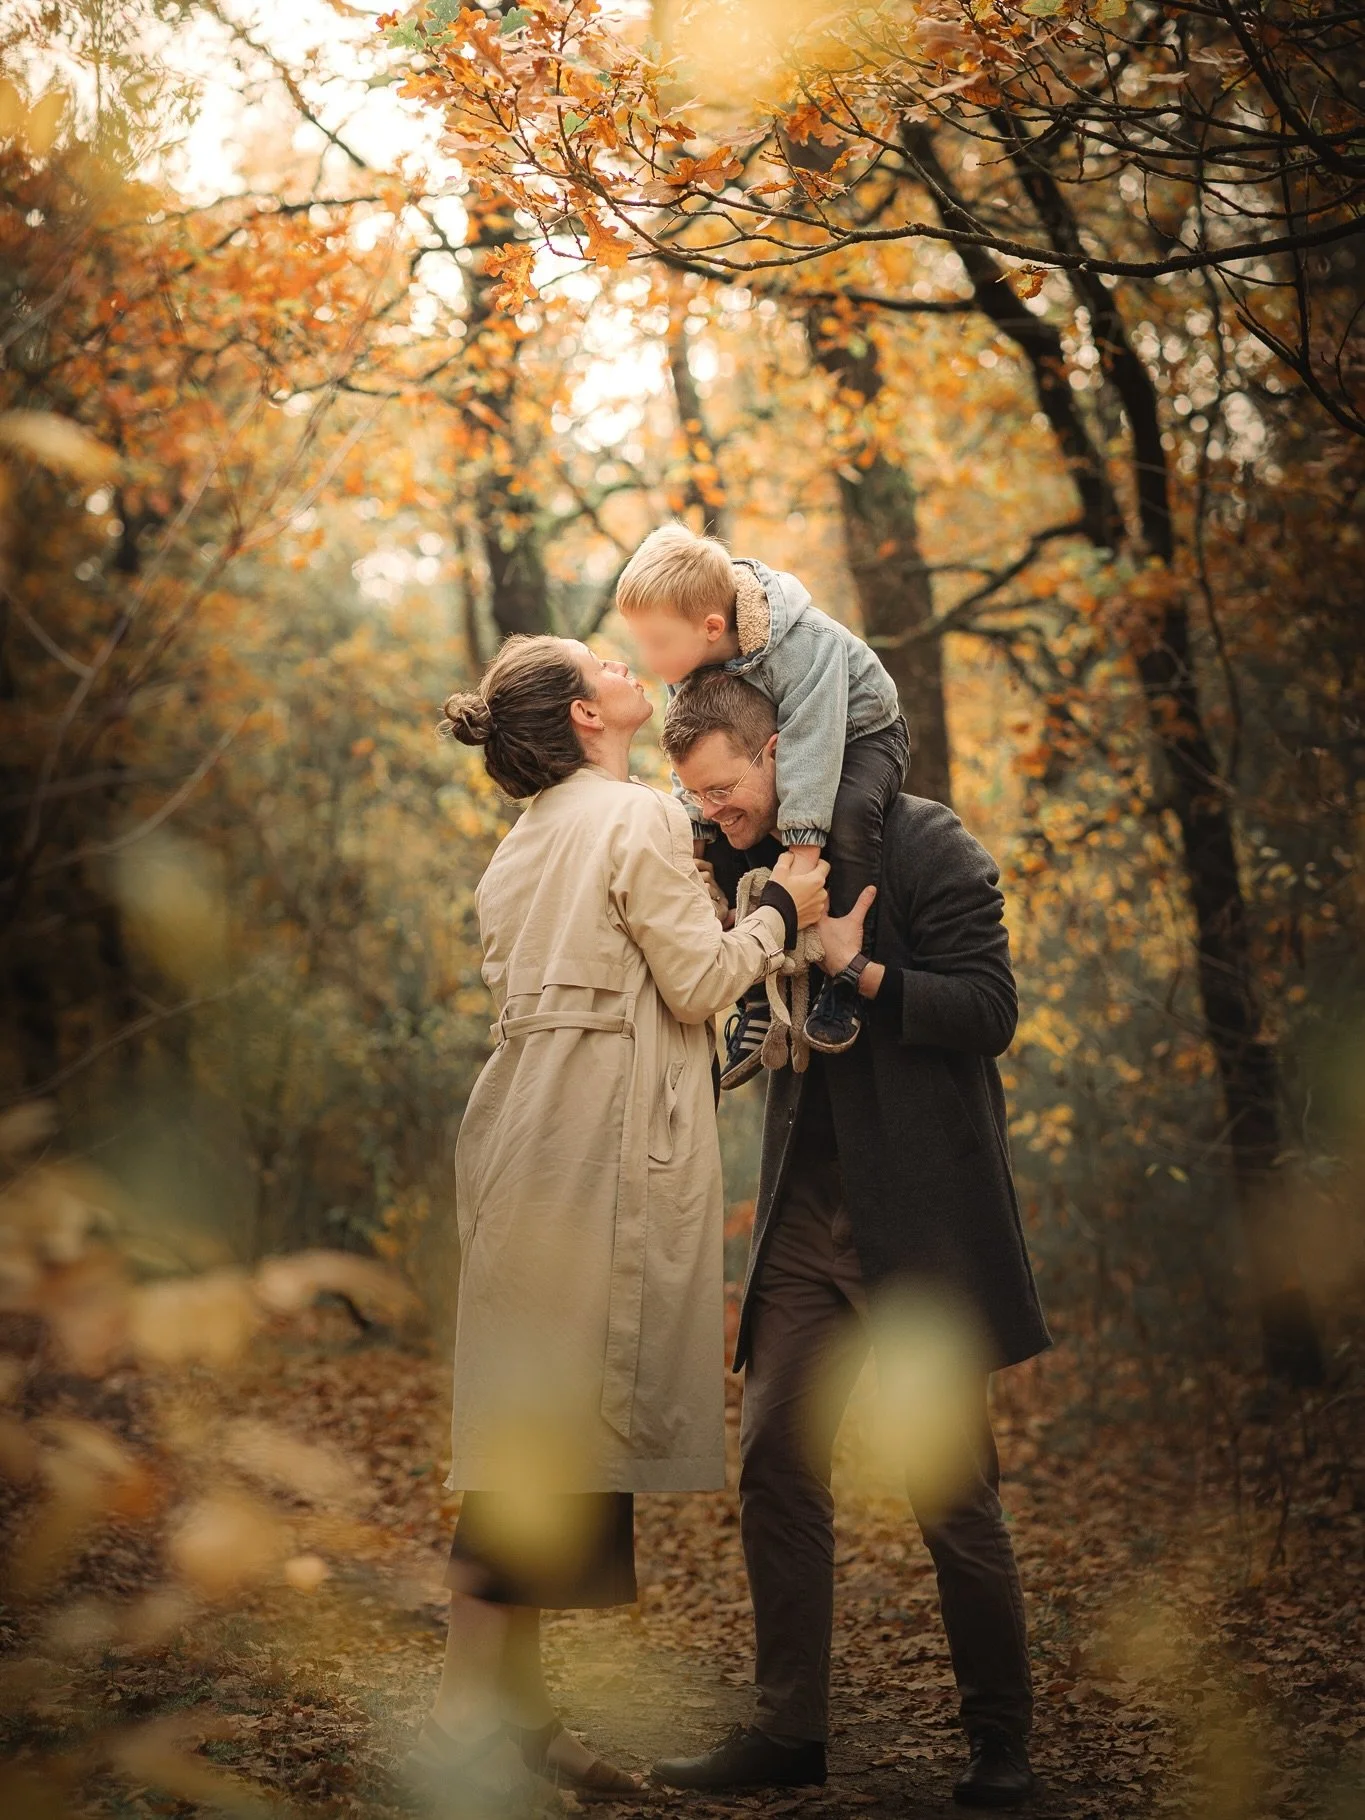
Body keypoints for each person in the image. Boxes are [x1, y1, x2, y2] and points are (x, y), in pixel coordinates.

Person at [410, 635, 827, 1810]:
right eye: (602, 661)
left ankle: (521, 1718)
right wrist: (781, 911)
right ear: (587, 714)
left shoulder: (521, 842)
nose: (623, 661)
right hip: (592, 1146)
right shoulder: (635, 814)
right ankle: (463, 1717)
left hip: (519, 1141)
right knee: (544, 1437)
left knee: (531, 1423)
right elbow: (696, 981)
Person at [649, 669, 1051, 1812]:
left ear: (778, 751)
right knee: (776, 1461)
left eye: (726, 790)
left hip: (921, 1223)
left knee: (953, 1491)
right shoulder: (749, 862)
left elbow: (991, 1011)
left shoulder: (931, 844)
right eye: (701, 799)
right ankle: (790, 1729)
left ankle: (1001, 1743)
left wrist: (857, 968)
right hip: (802, 1224)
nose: (717, 814)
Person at [615, 522, 909, 1083]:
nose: (648, 658)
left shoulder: (806, 646)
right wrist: (694, 839)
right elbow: (689, 749)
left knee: (847, 816)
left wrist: (801, 857)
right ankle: (754, 989)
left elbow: (813, 746)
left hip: (859, 735)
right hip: (773, 750)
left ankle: (844, 978)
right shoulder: (688, 661)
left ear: (711, 627)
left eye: (657, 643)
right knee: (732, 828)